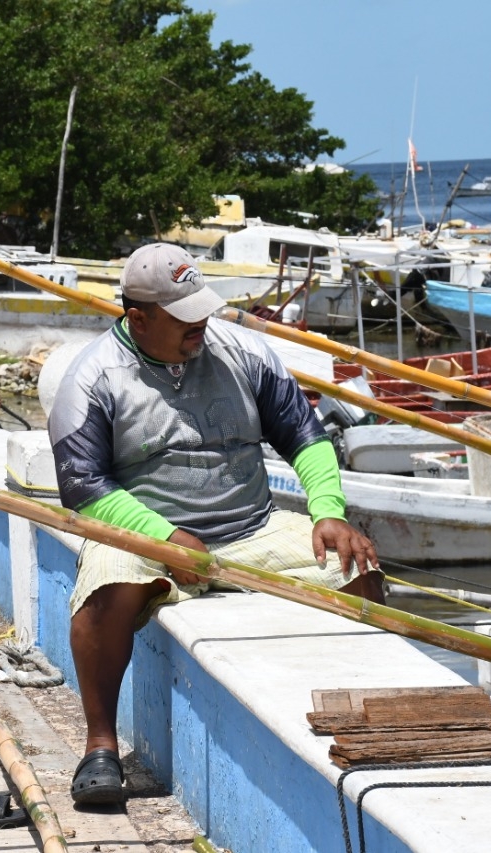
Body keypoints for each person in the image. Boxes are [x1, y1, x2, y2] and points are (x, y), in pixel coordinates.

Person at [47, 242, 384, 806]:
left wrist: (328, 510)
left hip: (249, 527)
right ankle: (100, 745)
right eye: (183, 318)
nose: (199, 324)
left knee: (360, 570)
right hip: (144, 535)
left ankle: (373, 718)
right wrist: (166, 537)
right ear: (139, 318)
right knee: (106, 588)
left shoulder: (242, 351)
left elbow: (305, 435)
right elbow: (84, 487)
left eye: (201, 309)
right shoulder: (92, 377)